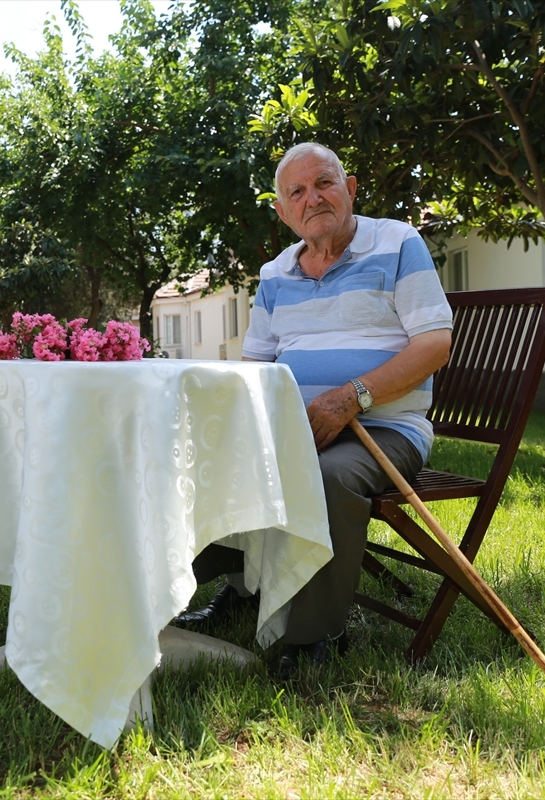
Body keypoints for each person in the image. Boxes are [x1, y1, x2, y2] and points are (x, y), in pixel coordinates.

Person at [175, 143, 453, 678]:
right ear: (282, 212)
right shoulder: (275, 273)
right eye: (296, 192)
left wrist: (353, 396)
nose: (313, 198)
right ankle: (241, 585)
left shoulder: (397, 241)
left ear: (349, 189)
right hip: (292, 428)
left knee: (325, 476)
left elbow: (434, 345)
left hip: (383, 427)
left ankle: (311, 636)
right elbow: (254, 366)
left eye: (324, 183)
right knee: (209, 454)